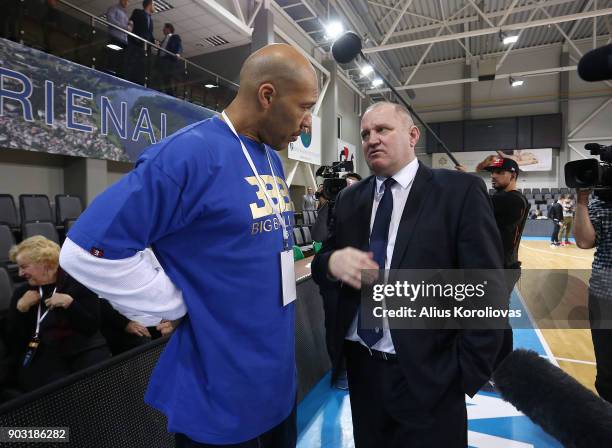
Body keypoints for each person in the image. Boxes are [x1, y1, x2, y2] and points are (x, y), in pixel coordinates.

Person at [59, 43, 318, 447]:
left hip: (276, 385)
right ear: (267, 95)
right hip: (220, 400)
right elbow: (87, 251)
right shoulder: (188, 154)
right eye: (305, 107)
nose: (308, 124)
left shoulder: (269, 155)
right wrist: (173, 304)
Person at [312, 101, 504, 447]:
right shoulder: (350, 200)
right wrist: (330, 262)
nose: (372, 139)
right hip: (362, 367)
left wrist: (463, 372)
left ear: (413, 135)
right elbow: (323, 260)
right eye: (366, 134)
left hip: (430, 374)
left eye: (383, 130)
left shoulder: (458, 192)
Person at [5, 236, 110, 392]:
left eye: (24, 267)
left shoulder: (78, 283)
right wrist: (21, 309)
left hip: (84, 348)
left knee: (94, 384)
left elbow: (91, 327)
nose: (20, 273)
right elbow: (13, 341)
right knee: (53, 390)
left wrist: (71, 304)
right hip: (44, 351)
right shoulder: (22, 293)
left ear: (45, 263)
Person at [480, 157, 529, 366]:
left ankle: (501, 366)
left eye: (499, 172)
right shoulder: (499, 198)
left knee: (496, 320)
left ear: (513, 175)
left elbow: (478, 203)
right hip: (495, 268)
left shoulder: (514, 200)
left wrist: (469, 180)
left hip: (503, 269)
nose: (493, 176)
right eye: (491, 172)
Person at [574, 188, 612, 403]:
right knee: (607, 368)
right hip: (604, 295)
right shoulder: (600, 202)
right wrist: (582, 201)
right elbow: (584, 242)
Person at [127, 0, 155, 85]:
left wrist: (154, 43)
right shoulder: (138, 12)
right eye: (153, 4)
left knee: (142, 69)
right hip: (136, 45)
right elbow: (131, 23)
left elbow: (149, 34)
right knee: (133, 67)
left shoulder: (151, 19)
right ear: (149, 5)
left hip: (145, 49)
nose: (154, 6)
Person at [105, 0, 131, 77]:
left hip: (123, 41)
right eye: (126, 0)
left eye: (128, 1)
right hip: (115, 38)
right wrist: (125, 27)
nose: (127, 3)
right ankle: (109, 77)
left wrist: (129, 26)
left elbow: (126, 29)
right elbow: (110, 20)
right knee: (112, 60)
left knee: (121, 63)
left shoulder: (126, 14)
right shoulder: (113, 8)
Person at [157, 23, 182, 96]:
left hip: (168, 61)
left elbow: (179, 45)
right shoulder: (164, 40)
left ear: (168, 29)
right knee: (160, 78)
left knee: (167, 79)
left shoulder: (175, 37)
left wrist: (178, 53)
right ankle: (160, 92)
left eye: (164, 28)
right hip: (161, 61)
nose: (163, 30)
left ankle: (170, 95)